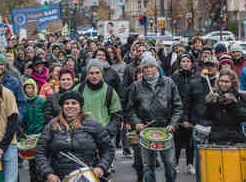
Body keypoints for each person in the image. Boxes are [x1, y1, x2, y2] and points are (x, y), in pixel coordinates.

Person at [126, 54, 183, 182]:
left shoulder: (169, 83)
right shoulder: (136, 86)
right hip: (146, 131)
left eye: (151, 66)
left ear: (156, 67)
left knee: (170, 164)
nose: (148, 70)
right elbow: (130, 109)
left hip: (166, 130)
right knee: (148, 166)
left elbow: (178, 107)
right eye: (145, 67)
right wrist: (137, 123)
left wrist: (173, 124)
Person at [35, 91, 115, 181]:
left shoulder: (93, 124)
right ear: (62, 107)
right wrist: (48, 173)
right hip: (59, 178)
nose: (70, 106)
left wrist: (101, 167)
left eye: (74, 103)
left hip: (88, 176)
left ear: (80, 106)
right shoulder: (52, 125)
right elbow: (40, 151)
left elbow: (108, 148)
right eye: (66, 103)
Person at [74, 59, 123, 170]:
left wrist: (108, 132)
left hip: (103, 135)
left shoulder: (110, 91)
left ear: (102, 74)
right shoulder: (79, 89)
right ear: (87, 74)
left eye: (97, 73)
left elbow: (117, 115)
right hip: (82, 135)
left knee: (102, 171)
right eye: (91, 73)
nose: (94, 76)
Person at [170, 54, 197, 175]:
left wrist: (191, 117)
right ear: (179, 63)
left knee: (190, 141)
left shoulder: (196, 78)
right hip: (177, 113)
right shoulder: (174, 78)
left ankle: (190, 164)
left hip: (192, 113)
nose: (186, 63)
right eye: (183, 61)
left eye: (188, 61)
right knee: (177, 141)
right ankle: (174, 163)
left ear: (192, 63)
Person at [204, 68, 246, 143]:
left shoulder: (239, 96)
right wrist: (210, 104)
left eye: (227, 82)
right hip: (216, 138)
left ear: (233, 83)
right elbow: (207, 117)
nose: (223, 84)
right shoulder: (214, 95)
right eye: (221, 81)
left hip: (235, 139)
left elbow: (243, 117)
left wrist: (232, 104)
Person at [0, 54, 27, 122]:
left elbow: (22, 103)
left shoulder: (14, 82)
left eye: (1, 64)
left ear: (5, 65)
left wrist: (17, 118)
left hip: (9, 121)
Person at [21, 78, 46, 182]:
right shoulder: (23, 102)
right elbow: (22, 119)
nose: (29, 90)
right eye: (27, 88)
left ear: (35, 88)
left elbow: (46, 116)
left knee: (41, 161)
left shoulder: (41, 101)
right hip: (29, 136)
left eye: (31, 88)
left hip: (40, 134)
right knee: (31, 161)